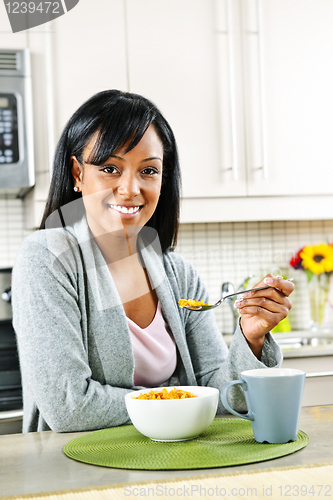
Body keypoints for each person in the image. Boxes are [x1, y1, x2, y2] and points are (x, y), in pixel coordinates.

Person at [11, 90, 294, 433]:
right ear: (77, 174)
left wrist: (250, 338)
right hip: (77, 469)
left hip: (170, 463)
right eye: (110, 168)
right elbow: (69, 406)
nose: (130, 188)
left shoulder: (178, 275)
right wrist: (180, 401)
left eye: (148, 170)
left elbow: (224, 397)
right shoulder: (48, 258)